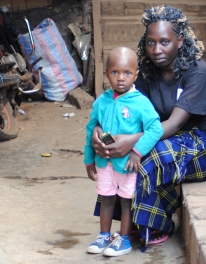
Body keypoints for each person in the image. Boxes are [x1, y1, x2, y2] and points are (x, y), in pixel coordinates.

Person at [91, 5, 206, 250]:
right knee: (122, 158)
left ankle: (156, 225)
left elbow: (174, 124)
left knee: (149, 156)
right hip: (173, 140)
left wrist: (131, 141)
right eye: (150, 42)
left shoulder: (198, 74)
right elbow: (126, 114)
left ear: (179, 40)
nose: (156, 50)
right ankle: (131, 222)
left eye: (164, 42)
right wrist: (101, 133)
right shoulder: (145, 74)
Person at [84, 46, 163, 256]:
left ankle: (124, 239)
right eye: (115, 72)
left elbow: (156, 128)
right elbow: (91, 129)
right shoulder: (102, 101)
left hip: (127, 164)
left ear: (136, 74)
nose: (121, 78)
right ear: (107, 73)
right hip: (104, 163)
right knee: (106, 198)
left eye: (127, 73)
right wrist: (88, 159)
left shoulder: (141, 103)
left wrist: (137, 152)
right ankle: (103, 236)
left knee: (127, 201)